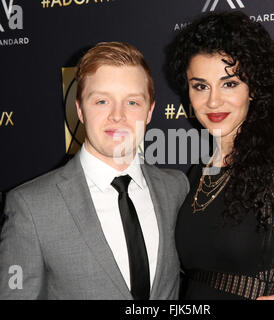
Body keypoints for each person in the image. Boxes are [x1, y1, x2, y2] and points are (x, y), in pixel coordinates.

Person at [0, 42, 189, 299]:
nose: (117, 115)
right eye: (101, 101)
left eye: (132, 102)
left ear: (150, 112)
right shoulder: (30, 207)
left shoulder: (177, 188)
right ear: (79, 109)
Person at [168, 11, 274, 299]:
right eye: (200, 86)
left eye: (230, 83)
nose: (213, 100)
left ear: (253, 87)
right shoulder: (194, 175)